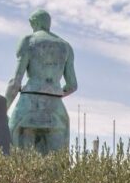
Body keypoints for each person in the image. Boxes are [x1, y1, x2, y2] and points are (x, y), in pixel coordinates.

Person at [5, 9, 77, 153]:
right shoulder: (66, 46)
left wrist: (2, 108)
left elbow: (16, 82)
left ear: (35, 23)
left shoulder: (28, 41)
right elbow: (72, 86)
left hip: (28, 105)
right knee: (58, 167)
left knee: (18, 162)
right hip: (56, 107)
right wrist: (53, 92)